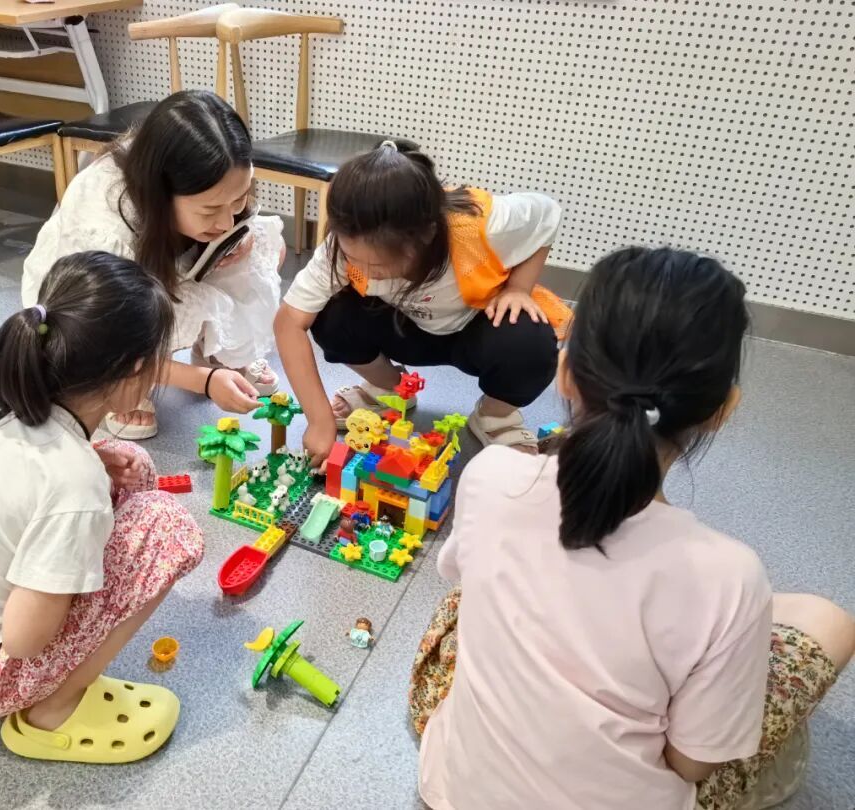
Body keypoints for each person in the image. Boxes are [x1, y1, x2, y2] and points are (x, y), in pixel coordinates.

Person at [409, 247, 855, 810]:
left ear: (565, 374)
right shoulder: (730, 578)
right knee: (829, 622)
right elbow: (691, 763)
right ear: (722, 409)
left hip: (454, 785)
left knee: (462, 601)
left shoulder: (492, 474)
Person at [0, 252, 205, 764]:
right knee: (165, 525)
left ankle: (62, 673)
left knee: (132, 463)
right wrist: (73, 572)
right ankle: (54, 708)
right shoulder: (72, 484)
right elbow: (24, 639)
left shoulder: (16, 416)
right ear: (134, 370)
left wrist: (92, 477)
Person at [275, 142, 569, 466]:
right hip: (405, 327)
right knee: (330, 314)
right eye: (353, 258)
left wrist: (518, 288)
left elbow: (547, 214)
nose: (364, 271)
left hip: (476, 327)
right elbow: (289, 322)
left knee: (530, 342)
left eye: (379, 266)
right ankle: (389, 390)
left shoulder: (479, 224)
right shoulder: (346, 243)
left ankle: (495, 417)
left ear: (426, 235)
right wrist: (318, 419)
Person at [22, 90, 286, 440]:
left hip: (162, 268)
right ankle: (123, 386)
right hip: (89, 321)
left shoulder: (193, 174)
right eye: (210, 210)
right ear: (161, 195)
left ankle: (217, 350)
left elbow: (232, 217)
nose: (226, 221)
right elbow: (103, 335)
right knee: (116, 341)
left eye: (238, 199)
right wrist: (204, 382)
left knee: (266, 247)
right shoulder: (106, 231)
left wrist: (243, 233)